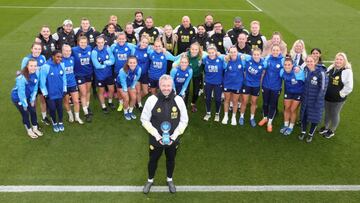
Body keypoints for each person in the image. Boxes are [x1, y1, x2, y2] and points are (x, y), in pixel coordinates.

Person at [141, 74, 188, 194]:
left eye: (168, 85)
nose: (166, 88)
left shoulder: (179, 100)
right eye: (163, 85)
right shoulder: (151, 100)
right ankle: (150, 180)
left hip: (173, 139)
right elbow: (144, 119)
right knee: (153, 160)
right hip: (155, 140)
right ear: (159, 86)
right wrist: (157, 136)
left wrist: (175, 135)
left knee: (171, 159)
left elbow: (184, 120)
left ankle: (169, 179)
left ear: (172, 86)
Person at [320, 52, 353, 138]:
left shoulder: (347, 71)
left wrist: (340, 94)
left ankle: (332, 130)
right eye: (337, 59)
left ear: (344, 61)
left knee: (334, 114)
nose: (338, 61)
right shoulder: (331, 67)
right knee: (327, 112)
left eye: (341, 59)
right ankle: (326, 127)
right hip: (327, 96)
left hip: (337, 99)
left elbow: (349, 87)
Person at [298, 56, 328, 143]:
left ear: (315, 62)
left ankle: (310, 134)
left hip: (316, 100)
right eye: (307, 61)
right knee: (304, 115)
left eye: (311, 61)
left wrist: (318, 100)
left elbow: (323, 88)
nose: (309, 63)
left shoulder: (321, 73)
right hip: (306, 99)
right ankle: (303, 132)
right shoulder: (306, 70)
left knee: (315, 118)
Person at [11, 59, 43, 138]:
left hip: (28, 96)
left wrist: (32, 99)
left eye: (35, 66)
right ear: (27, 66)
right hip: (18, 98)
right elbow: (21, 93)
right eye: (31, 66)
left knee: (33, 111)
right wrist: (25, 105)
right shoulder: (21, 78)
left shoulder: (37, 72)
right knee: (25, 113)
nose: (33, 68)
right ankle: (29, 130)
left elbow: (35, 87)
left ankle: (35, 129)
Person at [21, 42, 49, 126]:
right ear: (31, 49)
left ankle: (44, 117)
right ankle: (35, 120)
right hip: (32, 85)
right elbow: (23, 72)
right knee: (33, 102)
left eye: (39, 49)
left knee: (43, 100)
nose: (37, 50)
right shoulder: (26, 59)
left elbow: (45, 70)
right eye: (35, 49)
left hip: (42, 84)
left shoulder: (43, 57)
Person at [258, 45, 285, 132]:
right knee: (265, 103)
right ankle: (265, 118)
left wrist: (296, 68)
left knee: (272, 105)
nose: (275, 52)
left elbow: (291, 65)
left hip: (276, 87)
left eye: (277, 50)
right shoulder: (268, 58)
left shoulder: (282, 60)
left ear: (280, 51)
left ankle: (270, 122)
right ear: (271, 50)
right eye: (274, 50)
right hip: (265, 85)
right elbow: (261, 64)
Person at [40, 51, 67, 133]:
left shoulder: (62, 65)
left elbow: (64, 78)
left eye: (61, 57)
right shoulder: (46, 66)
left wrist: (64, 89)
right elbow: (42, 82)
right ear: (53, 56)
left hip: (59, 92)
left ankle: (61, 122)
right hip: (50, 94)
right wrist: (45, 93)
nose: (60, 59)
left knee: (60, 108)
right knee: (52, 109)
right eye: (58, 57)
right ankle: (55, 123)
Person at [173, 42, 204, 113]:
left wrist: (218, 53)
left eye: (196, 49)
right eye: (192, 49)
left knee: (196, 92)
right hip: (186, 74)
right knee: (186, 90)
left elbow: (212, 54)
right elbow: (176, 60)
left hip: (197, 74)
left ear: (199, 50)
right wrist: (175, 65)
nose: (194, 51)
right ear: (190, 49)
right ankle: (184, 105)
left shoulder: (202, 55)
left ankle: (193, 103)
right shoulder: (186, 55)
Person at [111, 32, 137, 111]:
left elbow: (140, 47)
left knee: (129, 87)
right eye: (119, 39)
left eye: (123, 39)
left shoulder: (130, 46)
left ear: (125, 39)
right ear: (117, 39)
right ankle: (121, 103)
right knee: (119, 89)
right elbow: (108, 52)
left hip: (128, 71)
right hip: (117, 72)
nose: (121, 40)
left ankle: (129, 101)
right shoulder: (113, 46)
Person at [240, 48, 265, 127]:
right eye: (254, 54)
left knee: (254, 102)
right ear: (252, 55)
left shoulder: (263, 63)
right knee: (244, 101)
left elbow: (263, 74)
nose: (256, 56)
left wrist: (259, 83)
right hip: (247, 84)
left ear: (260, 55)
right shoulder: (248, 60)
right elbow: (239, 55)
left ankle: (252, 118)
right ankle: (241, 116)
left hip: (256, 85)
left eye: (258, 55)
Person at [222, 47, 247, 125]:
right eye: (231, 52)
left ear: (237, 52)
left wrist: (243, 56)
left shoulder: (242, 60)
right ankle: (225, 116)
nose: (233, 53)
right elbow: (223, 67)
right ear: (229, 53)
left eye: (234, 52)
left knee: (235, 101)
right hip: (227, 83)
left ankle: (233, 117)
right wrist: (225, 60)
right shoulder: (226, 60)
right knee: (227, 100)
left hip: (237, 84)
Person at [279, 57, 305, 136]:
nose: (287, 66)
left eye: (289, 65)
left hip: (298, 93)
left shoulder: (299, 72)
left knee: (293, 110)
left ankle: (291, 126)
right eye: (285, 65)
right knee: (286, 108)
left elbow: (305, 80)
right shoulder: (282, 71)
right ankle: (286, 125)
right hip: (288, 93)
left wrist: (299, 67)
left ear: (292, 65)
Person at [91, 35, 116, 114]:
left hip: (108, 74)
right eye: (98, 43)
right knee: (101, 91)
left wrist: (104, 62)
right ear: (96, 43)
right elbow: (97, 65)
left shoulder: (107, 48)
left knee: (111, 90)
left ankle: (110, 101)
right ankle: (103, 106)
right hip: (99, 76)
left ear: (104, 42)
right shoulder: (94, 52)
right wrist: (106, 64)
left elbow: (113, 60)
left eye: (102, 42)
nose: (100, 44)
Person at [72, 36, 93, 122]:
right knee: (83, 93)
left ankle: (87, 106)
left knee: (88, 91)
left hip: (89, 73)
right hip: (79, 75)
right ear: (78, 42)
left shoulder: (89, 48)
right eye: (81, 42)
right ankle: (85, 113)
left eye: (85, 42)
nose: (83, 44)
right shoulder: (74, 50)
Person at [202, 45, 226, 122]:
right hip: (208, 82)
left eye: (213, 52)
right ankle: (208, 112)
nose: (211, 54)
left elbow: (227, 58)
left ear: (216, 52)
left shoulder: (221, 59)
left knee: (218, 99)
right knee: (208, 98)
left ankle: (217, 113)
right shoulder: (205, 59)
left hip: (218, 82)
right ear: (207, 53)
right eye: (209, 53)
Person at [62, 44, 84, 124]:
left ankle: (77, 117)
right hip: (64, 86)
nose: (68, 52)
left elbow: (75, 70)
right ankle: (70, 115)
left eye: (69, 51)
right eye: (66, 51)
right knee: (66, 101)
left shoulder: (72, 59)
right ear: (62, 51)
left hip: (73, 83)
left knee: (76, 101)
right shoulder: (60, 60)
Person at [134, 36, 151, 110]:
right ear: (140, 41)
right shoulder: (135, 50)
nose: (144, 44)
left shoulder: (149, 51)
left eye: (146, 43)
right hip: (136, 74)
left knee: (145, 91)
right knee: (137, 90)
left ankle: (134, 100)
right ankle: (139, 104)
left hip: (145, 74)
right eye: (143, 42)